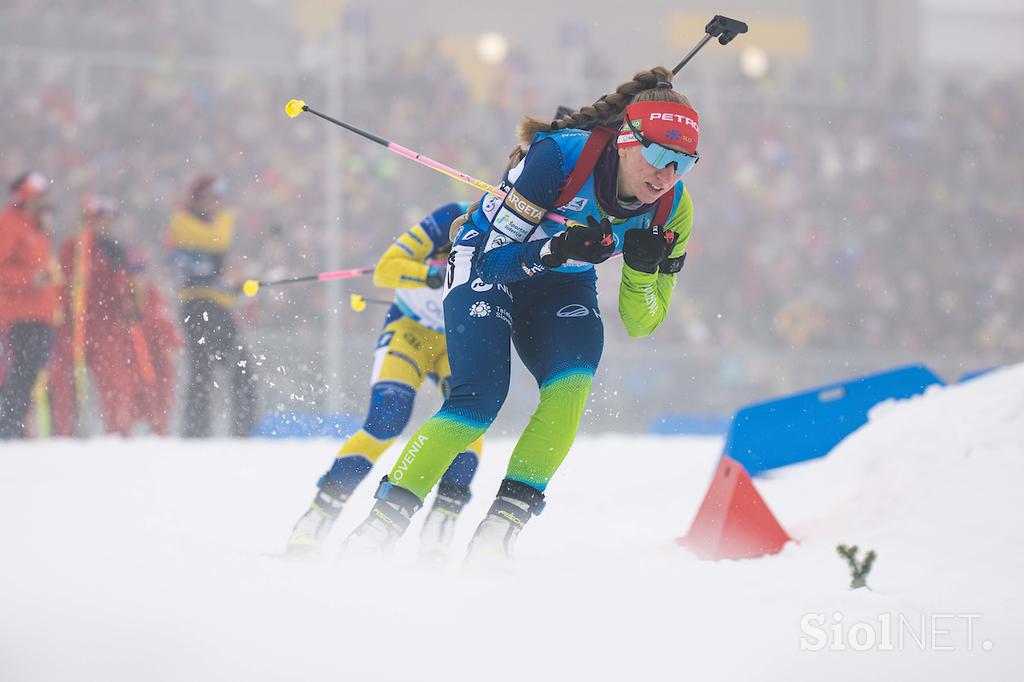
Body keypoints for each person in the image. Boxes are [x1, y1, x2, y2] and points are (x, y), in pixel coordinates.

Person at [342, 66, 698, 563]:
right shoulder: (559, 157)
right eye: (659, 155)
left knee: (571, 386)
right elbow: (492, 260)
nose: (666, 176)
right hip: (488, 264)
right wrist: (553, 248)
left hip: (563, 283)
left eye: (683, 163)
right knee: (479, 403)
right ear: (625, 139)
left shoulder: (672, 209)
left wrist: (639, 269)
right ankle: (379, 530)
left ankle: (499, 533)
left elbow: (641, 323)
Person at [286, 202, 484, 562]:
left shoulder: (515, 227)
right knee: (386, 421)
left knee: (469, 424)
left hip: (458, 337)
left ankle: (441, 523)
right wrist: (430, 273)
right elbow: (386, 270)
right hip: (409, 331)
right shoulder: (446, 219)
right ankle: (318, 516)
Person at [50, 196, 181, 436]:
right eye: (101, 220)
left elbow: (130, 292)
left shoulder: (118, 251)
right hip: (74, 327)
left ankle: (119, 433)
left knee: (117, 386)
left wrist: (129, 286)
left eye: (110, 221)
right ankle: (65, 435)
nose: (106, 226)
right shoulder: (74, 248)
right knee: (66, 387)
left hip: (107, 329)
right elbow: (65, 285)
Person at [165, 175, 256, 437]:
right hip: (197, 305)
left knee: (241, 367)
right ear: (198, 199)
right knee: (201, 370)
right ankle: (195, 433)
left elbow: (216, 265)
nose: (217, 204)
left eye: (219, 199)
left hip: (220, 306)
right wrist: (228, 219)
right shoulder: (182, 222)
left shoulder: (212, 224)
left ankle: (243, 433)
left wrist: (234, 283)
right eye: (212, 198)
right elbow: (216, 242)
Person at [0, 172, 60, 439]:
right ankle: (10, 427)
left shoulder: (38, 226)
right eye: (39, 197)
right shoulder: (11, 224)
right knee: (20, 374)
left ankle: (20, 426)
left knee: (33, 373)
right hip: (18, 315)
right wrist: (29, 279)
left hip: (41, 314)